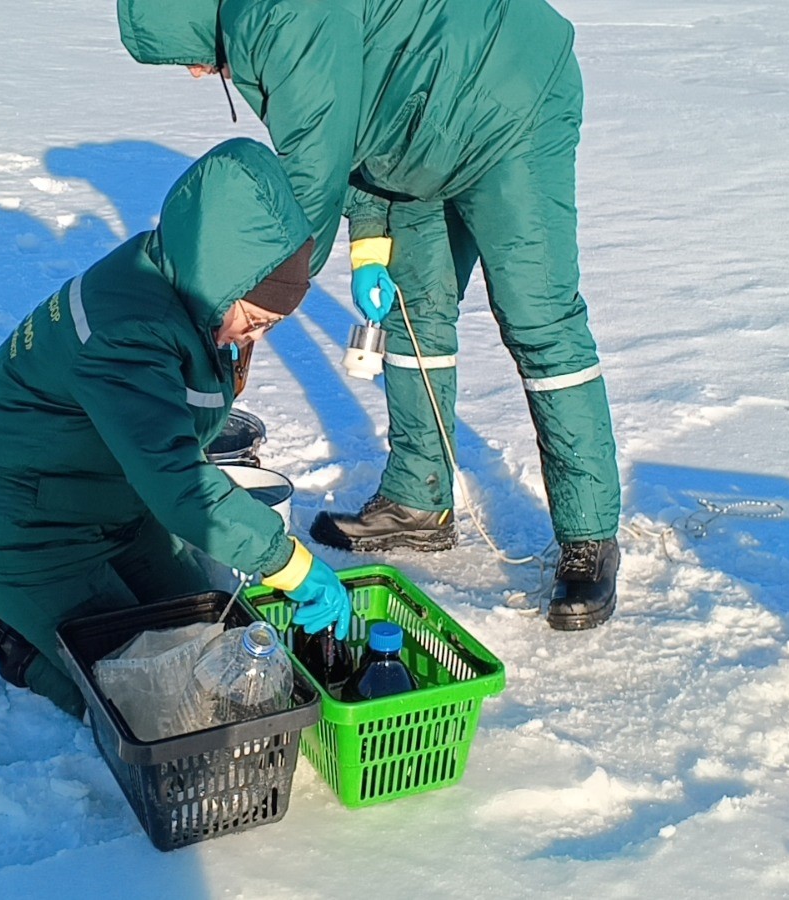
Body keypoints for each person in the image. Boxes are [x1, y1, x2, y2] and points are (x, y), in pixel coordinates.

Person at [117, 0, 622, 629]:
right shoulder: (257, 32)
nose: (195, 73)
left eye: (184, 53)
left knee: (537, 317)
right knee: (414, 313)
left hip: (507, 98)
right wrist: (369, 245)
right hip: (416, 133)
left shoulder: (276, 15)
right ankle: (419, 500)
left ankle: (589, 535)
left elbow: (310, 169)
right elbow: (345, 130)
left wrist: (255, 297)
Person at [0, 138, 352, 715]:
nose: (255, 337)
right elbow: (177, 482)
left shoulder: (182, 278)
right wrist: (289, 562)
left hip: (110, 504)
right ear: (224, 270)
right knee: (146, 703)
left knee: (217, 643)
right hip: (20, 524)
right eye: (254, 318)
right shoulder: (130, 330)